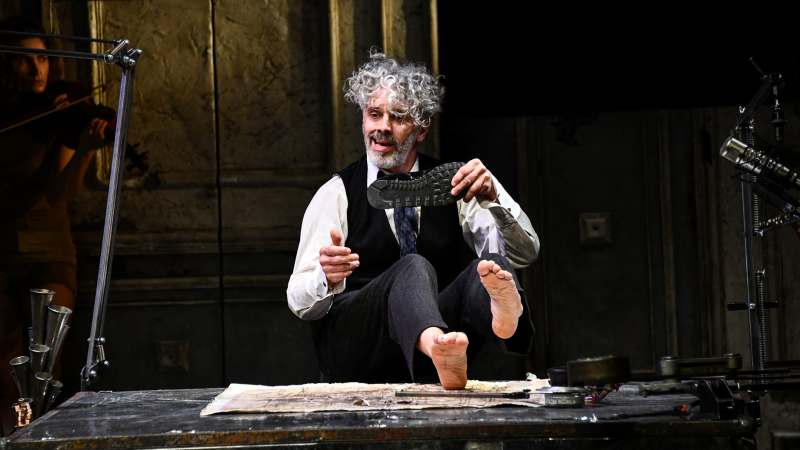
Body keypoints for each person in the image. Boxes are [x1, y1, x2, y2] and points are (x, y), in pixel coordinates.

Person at [287, 51, 540, 390]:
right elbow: (298, 302)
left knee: (491, 265)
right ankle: (436, 345)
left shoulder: (455, 183)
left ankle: (503, 319)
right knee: (413, 266)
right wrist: (324, 277)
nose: (382, 127)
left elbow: (524, 254)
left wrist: (494, 198)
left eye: (398, 117)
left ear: (421, 128)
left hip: (432, 356)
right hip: (359, 349)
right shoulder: (337, 193)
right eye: (374, 114)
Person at [0, 17, 109, 435]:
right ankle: (13, 437)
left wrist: (85, 150)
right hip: (3, 252)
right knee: (6, 367)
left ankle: (44, 437)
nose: (37, 69)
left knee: (48, 360)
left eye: (43, 58)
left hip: (50, 250)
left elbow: (60, 194)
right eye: (24, 60)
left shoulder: (60, 115)